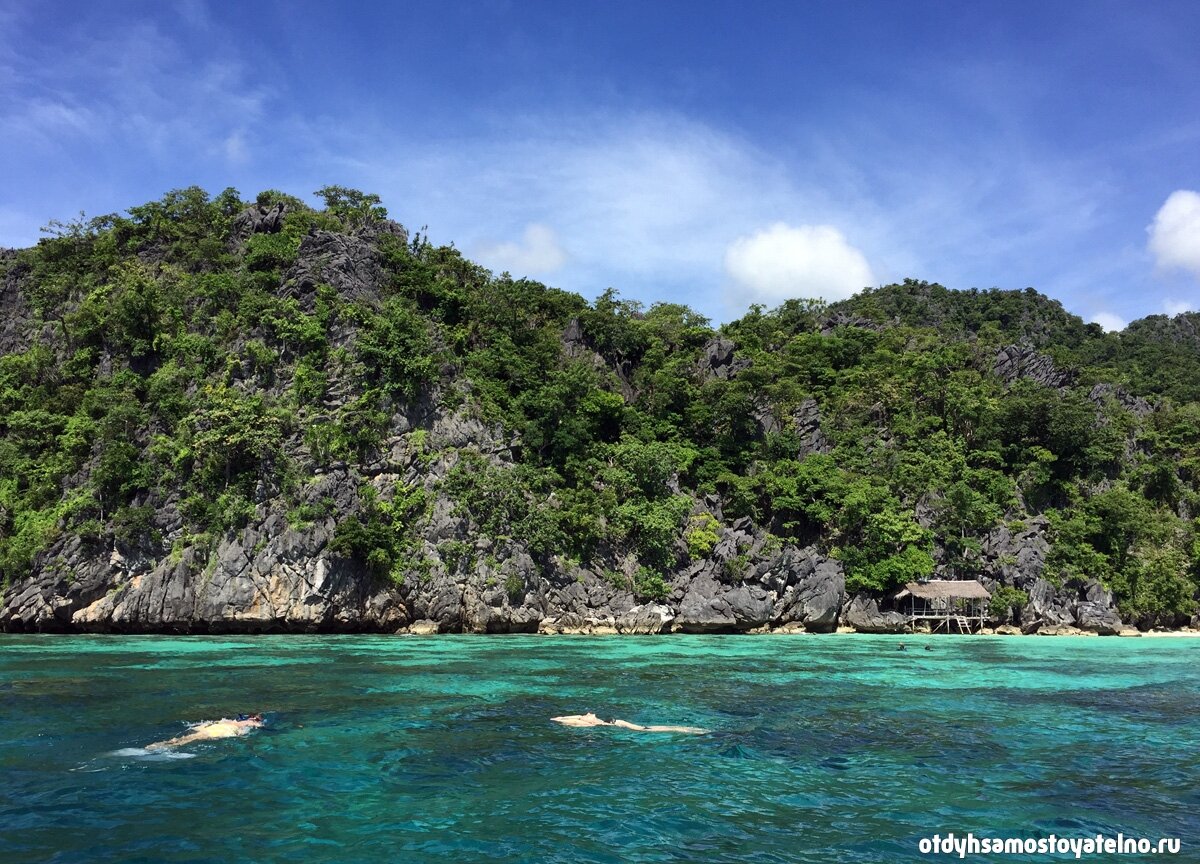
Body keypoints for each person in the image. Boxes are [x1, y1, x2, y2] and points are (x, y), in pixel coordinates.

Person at [147, 714, 264, 749]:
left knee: (194, 736)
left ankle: (164, 743)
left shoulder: (233, 720)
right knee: (194, 739)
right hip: (222, 730)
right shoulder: (252, 722)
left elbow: (220, 720)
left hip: (214, 726)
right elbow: (255, 727)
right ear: (254, 718)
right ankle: (168, 746)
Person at [551, 712, 708, 734]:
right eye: (586, 715)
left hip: (643, 728)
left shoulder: (594, 721)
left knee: (676, 728)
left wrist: (579, 716)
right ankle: (702, 732)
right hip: (642, 730)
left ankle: (702, 731)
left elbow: (560, 718)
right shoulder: (592, 724)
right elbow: (557, 719)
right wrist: (576, 718)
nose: (589, 713)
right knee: (676, 729)